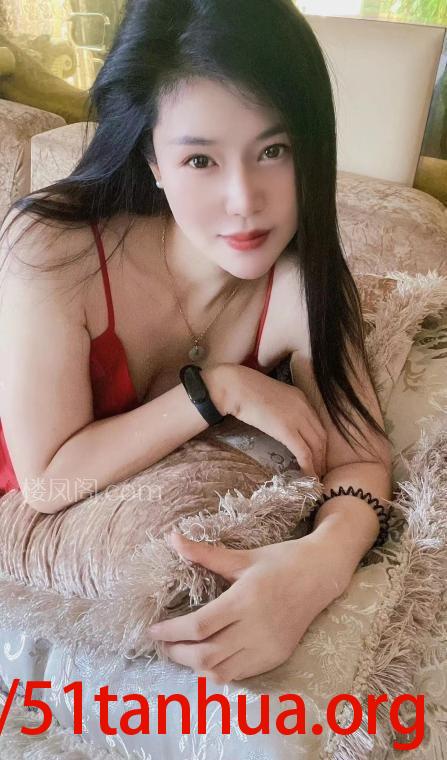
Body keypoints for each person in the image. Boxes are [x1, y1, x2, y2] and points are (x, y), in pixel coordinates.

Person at [0, 0, 392, 684]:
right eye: (201, 159)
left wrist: (319, 564)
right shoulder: (55, 250)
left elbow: (360, 458)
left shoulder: (297, 286)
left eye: (273, 151)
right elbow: (47, 480)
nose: (244, 200)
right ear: (152, 159)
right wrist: (215, 390)